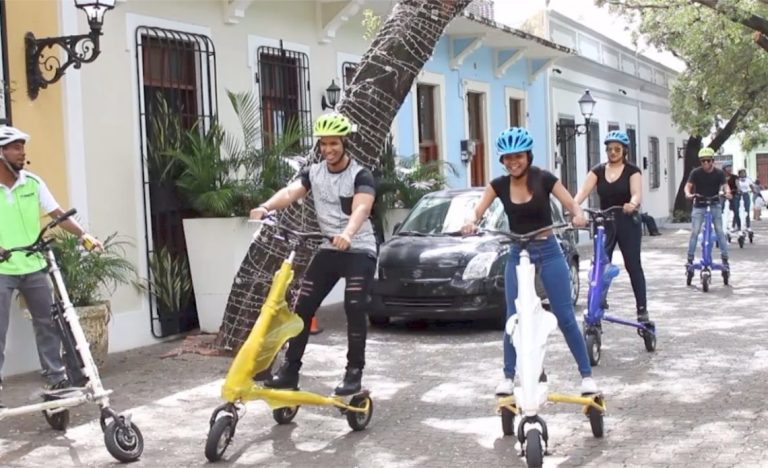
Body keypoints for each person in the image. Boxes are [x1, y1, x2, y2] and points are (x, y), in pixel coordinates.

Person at [460, 127, 598, 396]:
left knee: (565, 315)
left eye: (518, 156)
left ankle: (586, 376)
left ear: (528, 156)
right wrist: (470, 221)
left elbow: (572, 204)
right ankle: (509, 377)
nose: (514, 162)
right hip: (518, 252)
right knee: (514, 318)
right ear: (502, 160)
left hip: (547, 251)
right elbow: (477, 210)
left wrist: (579, 215)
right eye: (508, 158)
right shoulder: (498, 185)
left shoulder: (544, 178)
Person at [249, 113, 377, 396]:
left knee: (354, 307)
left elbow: (361, 208)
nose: (328, 149)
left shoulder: (360, 174)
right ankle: (289, 371)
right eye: (323, 144)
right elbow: (291, 191)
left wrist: (348, 233)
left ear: (344, 143)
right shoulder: (314, 173)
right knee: (302, 308)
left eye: (333, 143)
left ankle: (353, 373)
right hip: (328, 248)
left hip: (359, 249)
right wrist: (267, 206)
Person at [0, 125, 102, 408]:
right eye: (16, 147)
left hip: (33, 265)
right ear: (1, 152)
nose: (22, 153)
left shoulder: (32, 183)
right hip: (2, 269)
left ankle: (56, 378)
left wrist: (85, 236)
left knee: (48, 322)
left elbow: (58, 215)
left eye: (22, 147)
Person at [573, 130, 650, 324]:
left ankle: (642, 309)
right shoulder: (597, 170)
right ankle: (597, 302)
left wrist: (632, 204)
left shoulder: (633, 171)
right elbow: (582, 191)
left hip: (626, 220)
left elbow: (636, 193)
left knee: (633, 265)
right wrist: (575, 209)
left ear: (624, 150)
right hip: (604, 222)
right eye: (609, 149)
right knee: (599, 265)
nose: (613, 152)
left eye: (617, 149)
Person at [684, 147, 731, 268]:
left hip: (714, 203)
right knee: (695, 232)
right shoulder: (695, 172)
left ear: (712, 161)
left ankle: (725, 258)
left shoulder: (719, 173)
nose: (705, 163)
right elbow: (688, 186)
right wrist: (688, 194)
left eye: (708, 160)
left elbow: (725, 186)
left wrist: (728, 193)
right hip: (699, 204)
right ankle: (690, 258)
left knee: (720, 231)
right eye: (703, 161)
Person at [723, 164, 739, 231]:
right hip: (724, 196)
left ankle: (733, 226)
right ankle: (724, 225)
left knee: (735, 210)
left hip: (733, 195)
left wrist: (738, 190)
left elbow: (738, 185)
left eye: (730, 167)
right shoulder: (721, 177)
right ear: (724, 169)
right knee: (722, 210)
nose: (729, 169)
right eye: (728, 167)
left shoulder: (735, 177)